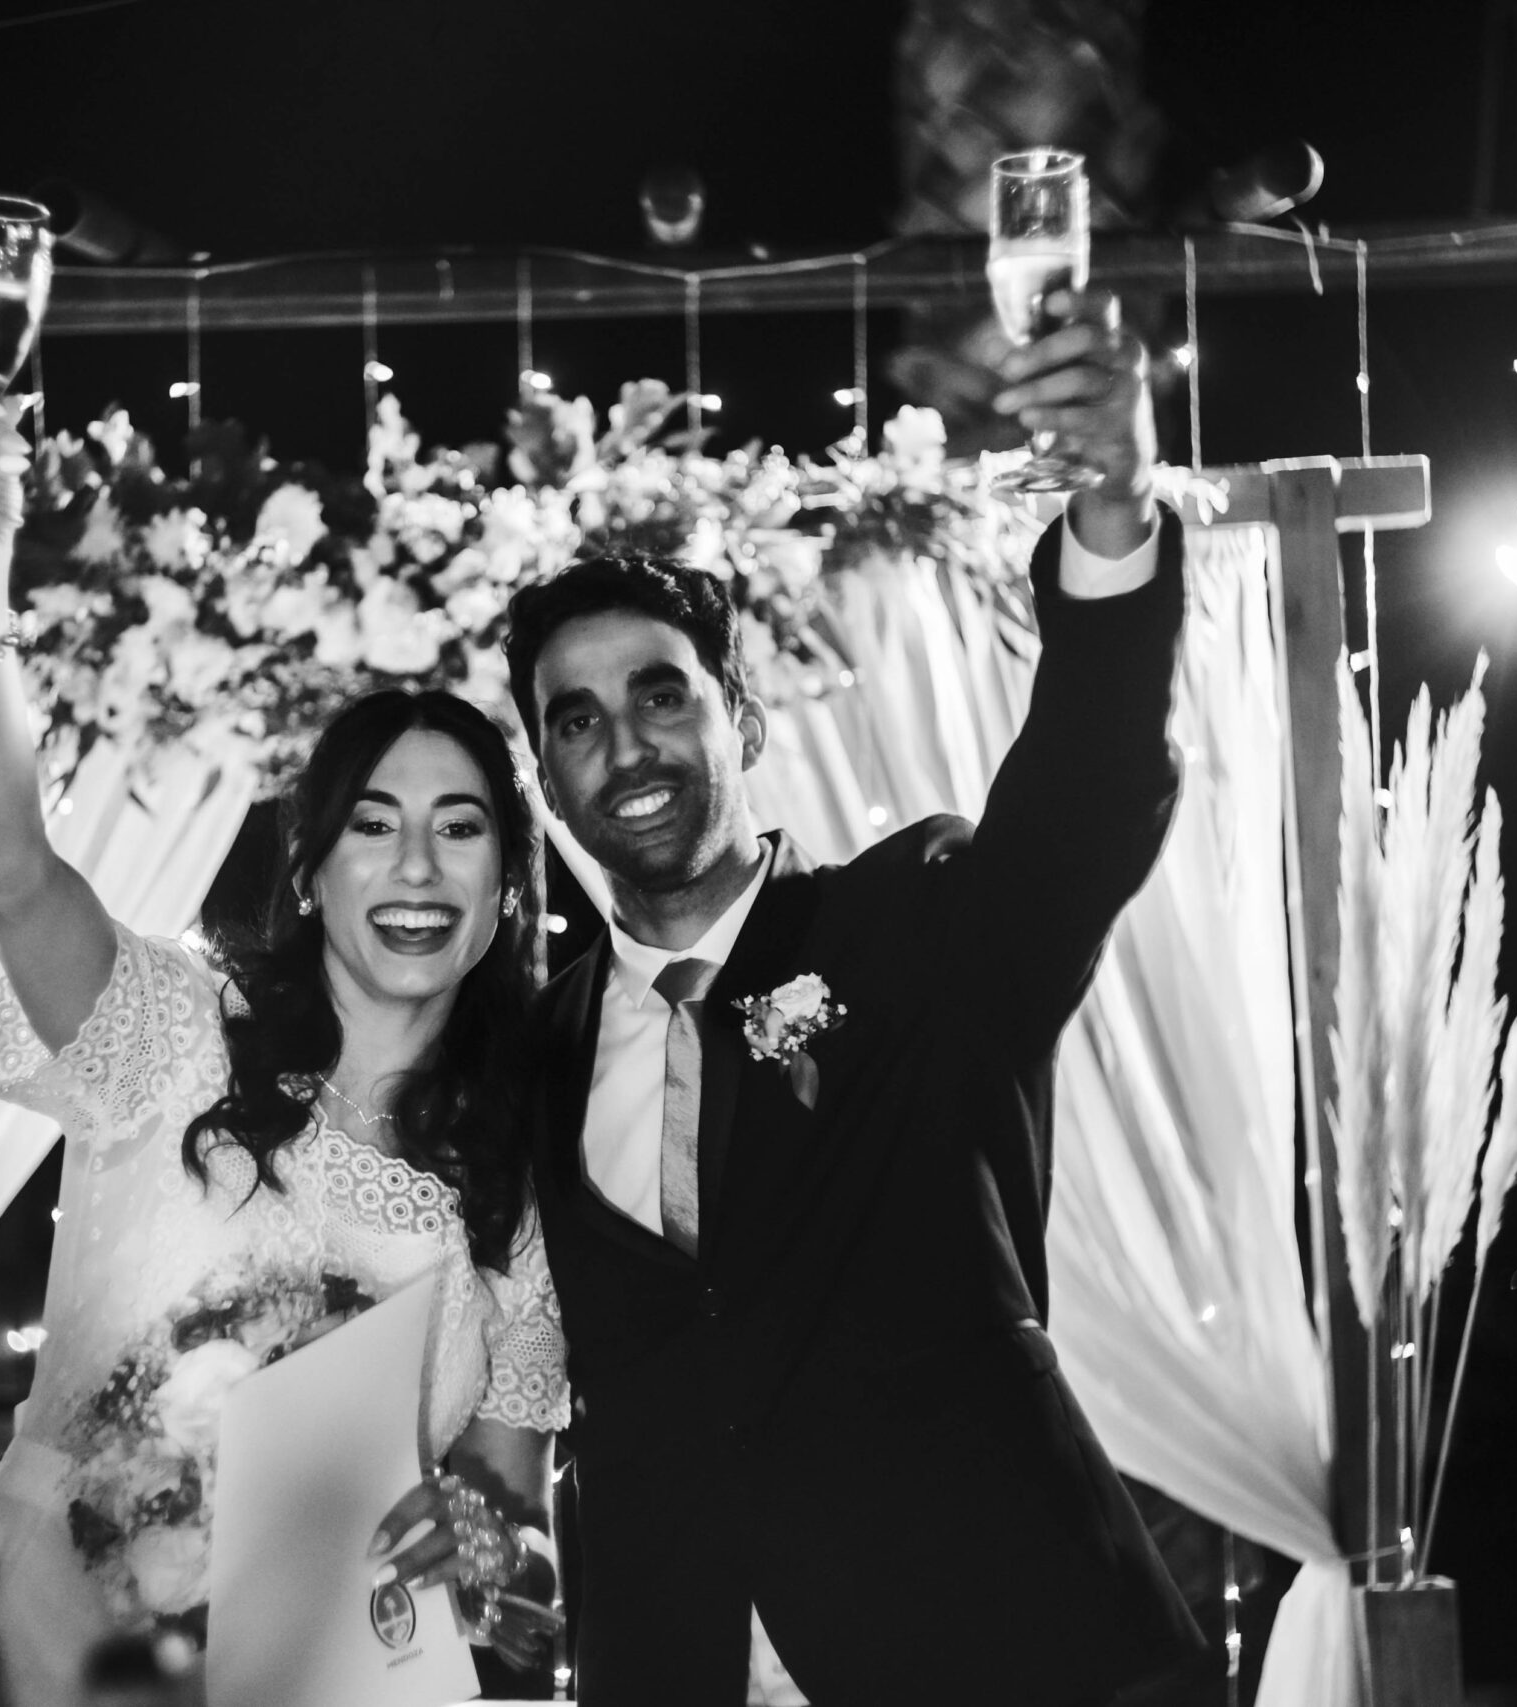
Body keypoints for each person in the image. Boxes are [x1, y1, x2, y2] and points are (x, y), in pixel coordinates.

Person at [503, 288, 1203, 1707]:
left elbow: (1087, 789)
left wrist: (1115, 508)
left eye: (661, 694)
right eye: (576, 721)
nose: (624, 744)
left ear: (744, 722)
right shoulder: (529, 1047)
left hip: (1007, 1650)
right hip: (675, 1665)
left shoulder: (917, 922)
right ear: (548, 784)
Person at [0, 387, 571, 1707]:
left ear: (504, 891)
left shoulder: (515, 1196)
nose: (417, 864)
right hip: (25, 1662)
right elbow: (8, 868)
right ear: (310, 873)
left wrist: (487, 1555)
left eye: (460, 827)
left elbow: (515, 1533)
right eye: (372, 824)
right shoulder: (176, 1037)